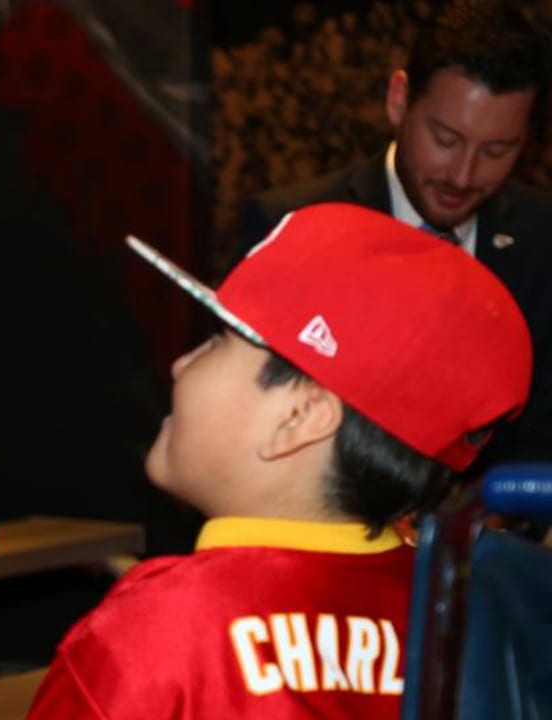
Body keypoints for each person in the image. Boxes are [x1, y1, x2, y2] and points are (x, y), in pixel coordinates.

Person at [27, 202, 533, 718]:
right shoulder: (465, 628)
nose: (181, 364)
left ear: (299, 417)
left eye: (216, 342)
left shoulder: (149, 640)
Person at [237, 0, 552, 470]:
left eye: (496, 150)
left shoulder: (542, 237)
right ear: (399, 100)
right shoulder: (295, 223)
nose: (463, 175)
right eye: (445, 140)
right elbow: (247, 426)